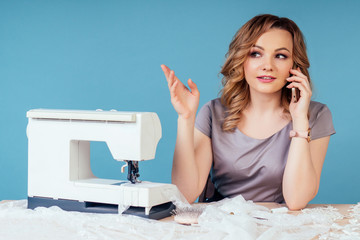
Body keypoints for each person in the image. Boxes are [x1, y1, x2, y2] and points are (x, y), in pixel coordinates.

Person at [161, 14, 335, 210]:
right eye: (255, 53)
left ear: (294, 66)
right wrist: (186, 118)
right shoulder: (213, 112)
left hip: (280, 227)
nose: (267, 66)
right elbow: (185, 194)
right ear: (241, 59)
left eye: (280, 56)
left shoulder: (317, 115)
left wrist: (300, 120)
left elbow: (296, 201)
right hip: (222, 225)